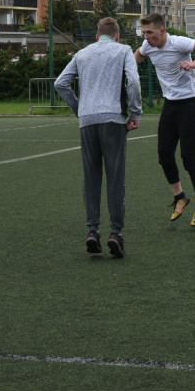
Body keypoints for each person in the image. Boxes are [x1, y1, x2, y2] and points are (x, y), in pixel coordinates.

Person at [56, 17, 142, 258]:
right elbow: (133, 82)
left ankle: (92, 231)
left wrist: (78, 108)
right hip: (113, 120)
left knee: (91, 177)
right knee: (116, 178)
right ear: (117, 36)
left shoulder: (82, 54)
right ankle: (116, 234)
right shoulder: (124, 50)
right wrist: (135, 112)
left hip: (87, 121)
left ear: (96, 36)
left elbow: (60, 83)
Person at [135, 13, 195, 227]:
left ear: (162, 31)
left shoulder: (179, 43)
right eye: (144, 33)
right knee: (164, 154)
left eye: (150, 33)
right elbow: (138, 55)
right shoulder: (148, 46)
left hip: (190, 102)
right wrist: (125, 67)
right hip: (170, 104)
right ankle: (179, 197)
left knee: (189, 157)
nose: (147, 38)